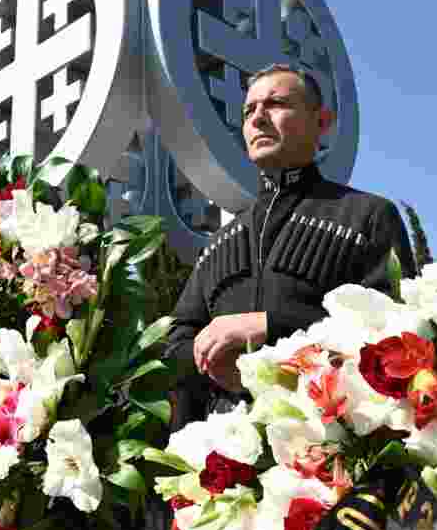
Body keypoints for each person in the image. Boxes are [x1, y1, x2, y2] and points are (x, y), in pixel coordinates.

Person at [165, 63, 416, 431]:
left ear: (322, 121)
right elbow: (175, 344)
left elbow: (395, 329)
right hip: (228, 451)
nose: (258, 118)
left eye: (277, 104)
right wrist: (211, 359)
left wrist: (271, 326)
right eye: (249, 110)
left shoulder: (368, 215)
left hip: (332, 442)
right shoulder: (218, 244)